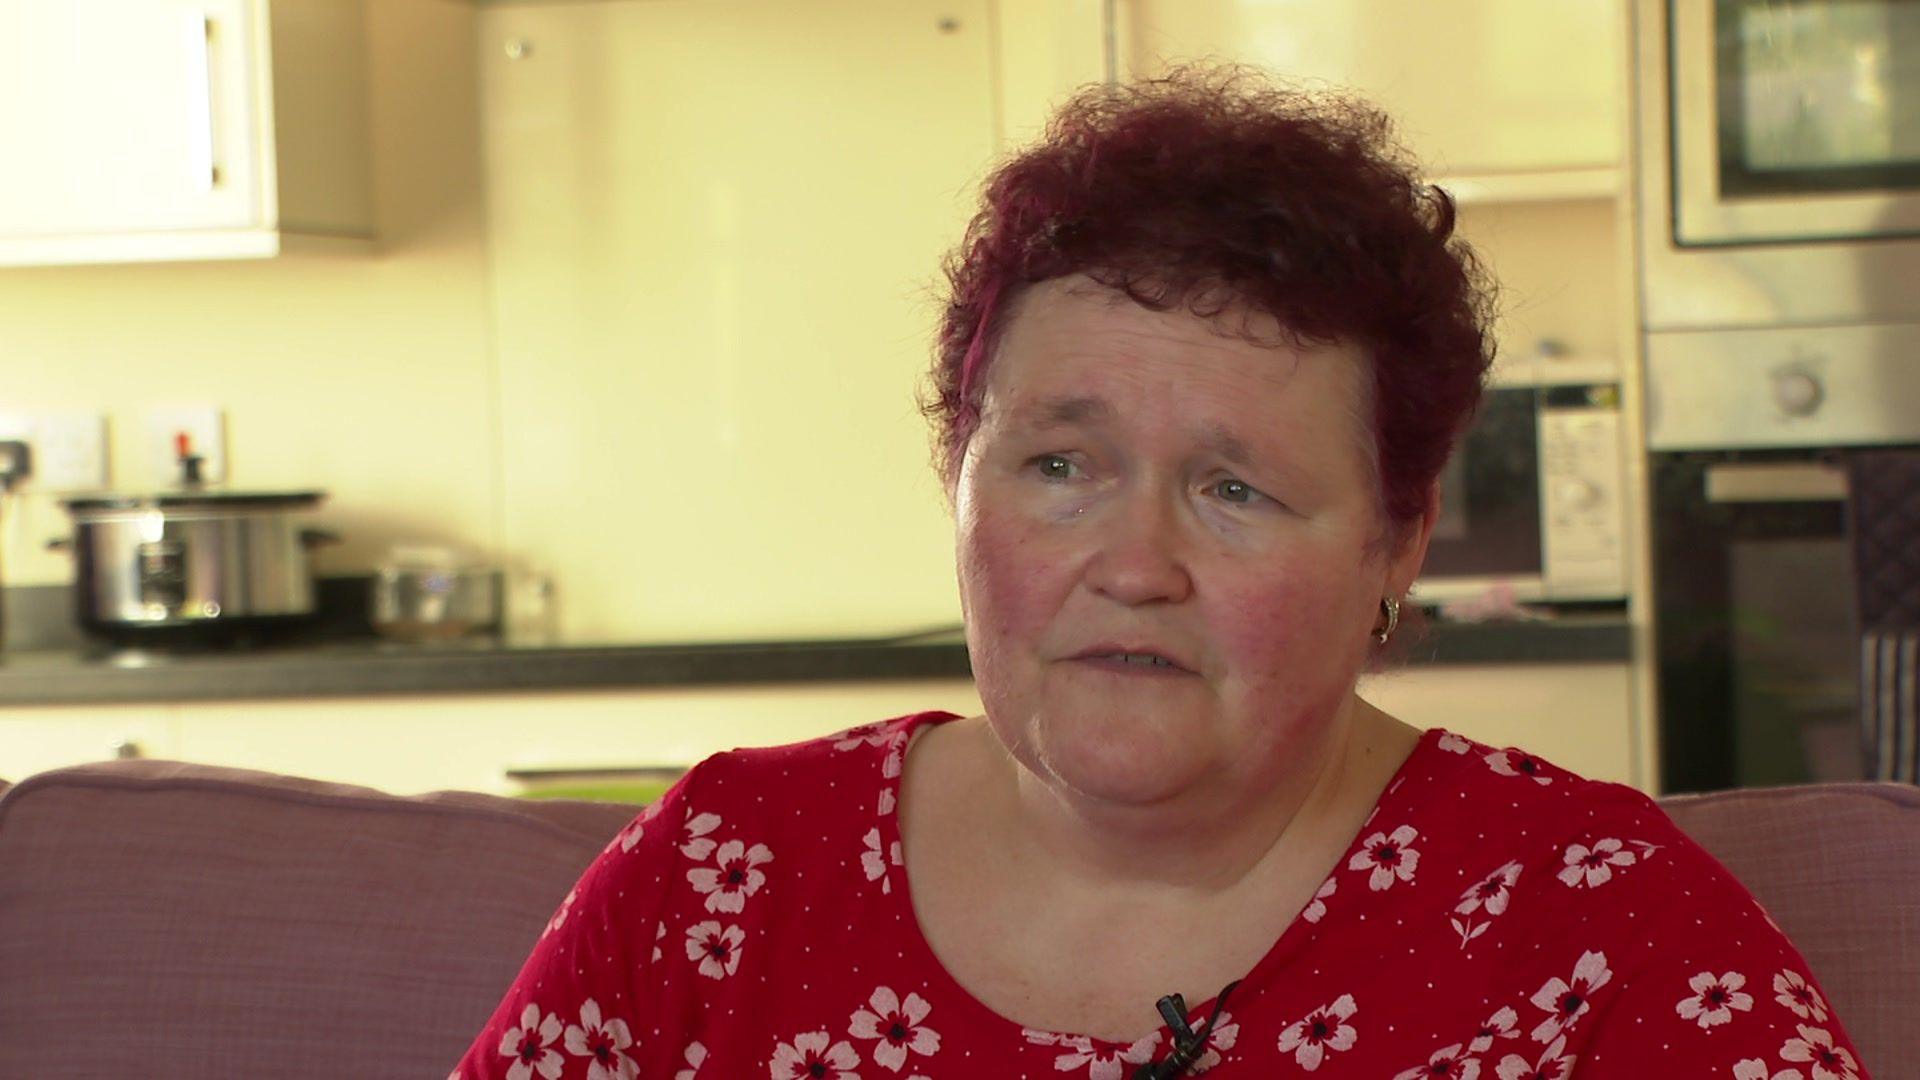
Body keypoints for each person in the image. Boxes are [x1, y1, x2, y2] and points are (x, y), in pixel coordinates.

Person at [454, 68, 1867, 1079]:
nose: (1133, 566)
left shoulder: (1605, 934)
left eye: (1234, 489)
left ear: (1399, 537)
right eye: (1060, 466)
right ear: (961, 480)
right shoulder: (721, 878)